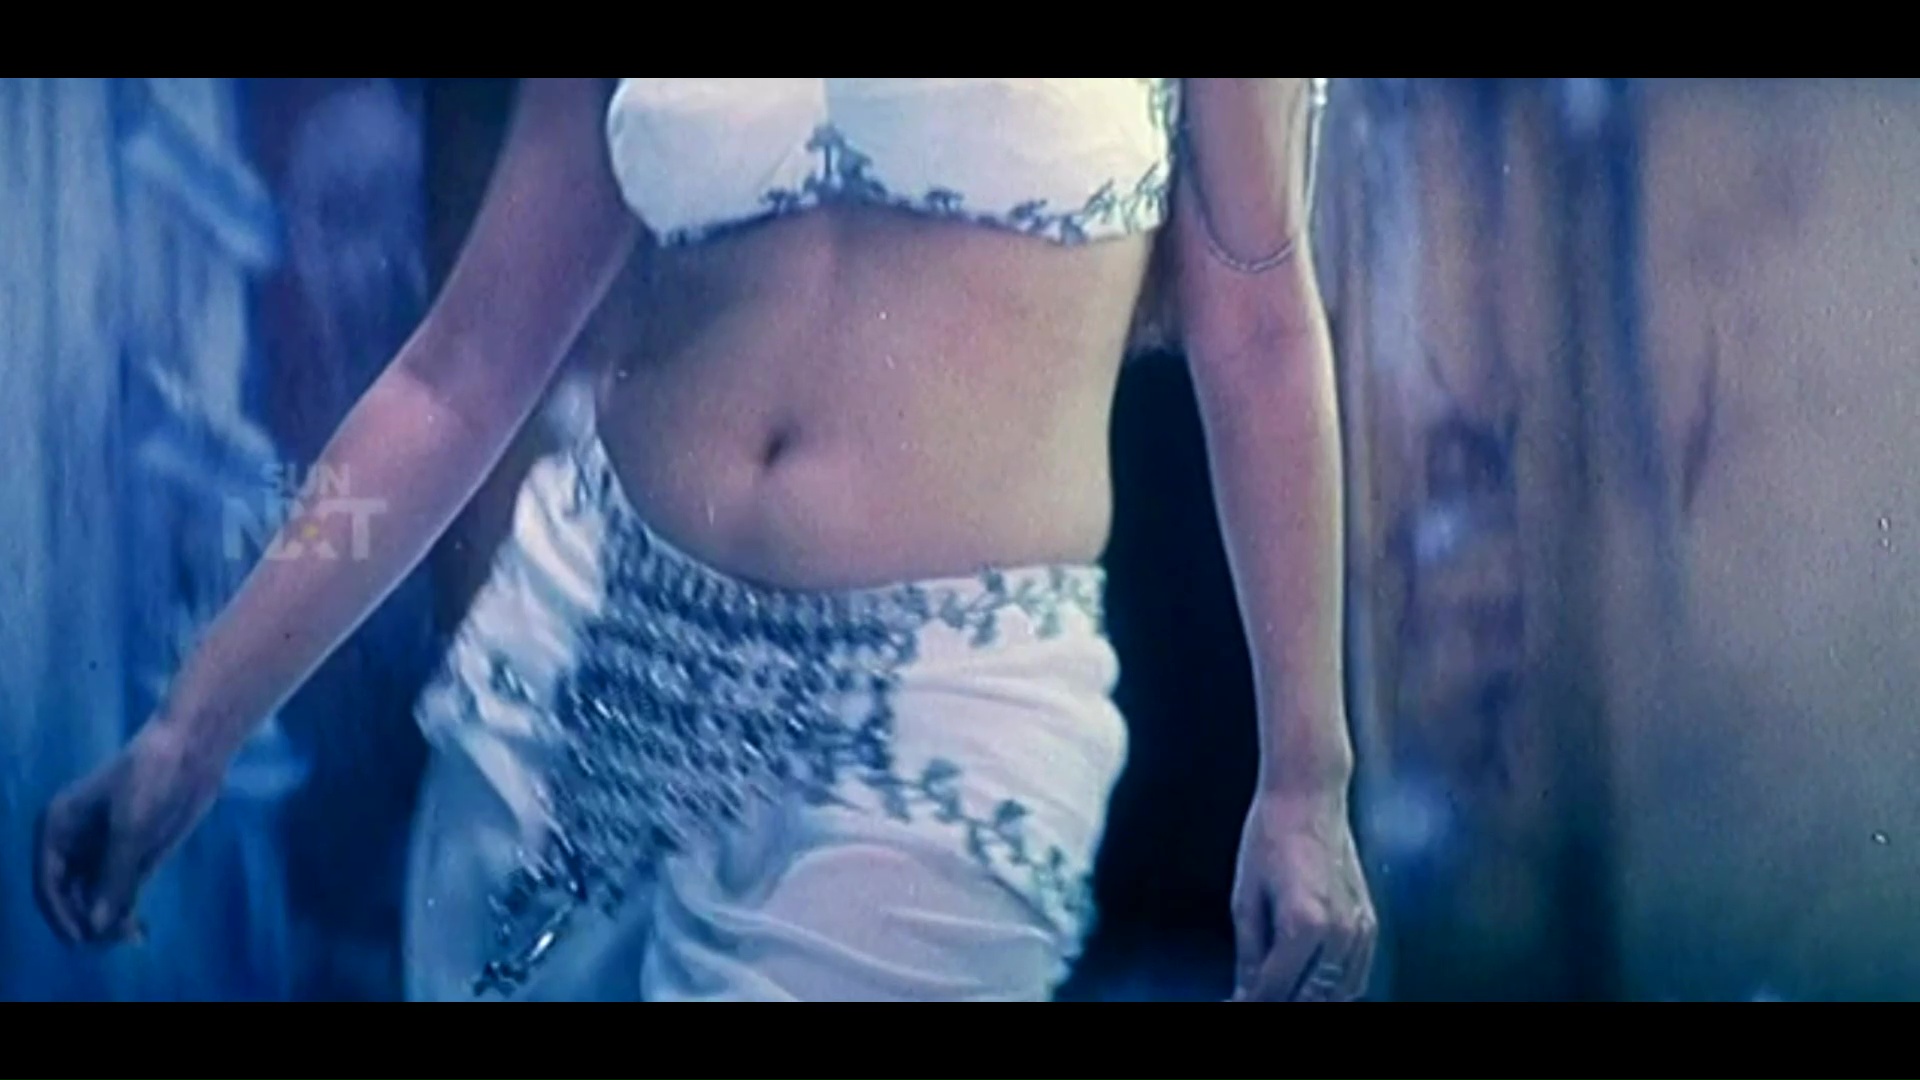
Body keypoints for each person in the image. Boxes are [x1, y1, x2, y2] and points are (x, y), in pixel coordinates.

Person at [35, 78, 1375, 1003]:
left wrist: (1307, 780)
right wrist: (194, 729)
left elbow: (1261, 338)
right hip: (571, 671)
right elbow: (461, 370)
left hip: (939, 723)